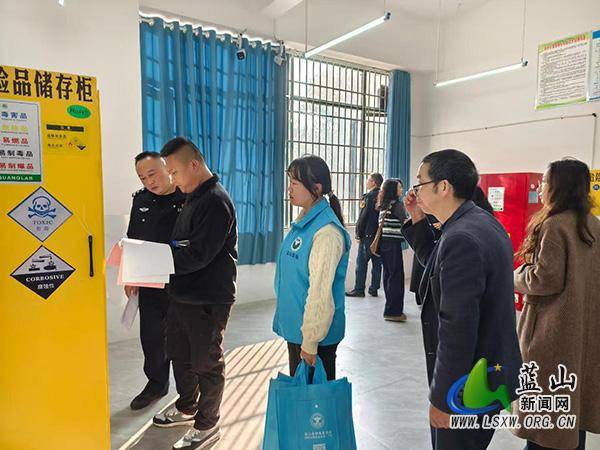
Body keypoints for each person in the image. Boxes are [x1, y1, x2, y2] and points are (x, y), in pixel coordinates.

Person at [402, 149, 522, 450]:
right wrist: (417, 219)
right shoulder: (478, 222)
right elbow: (437, 266)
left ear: (443, 186)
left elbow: (457, 328)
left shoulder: (461, 237)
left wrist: (444, 398)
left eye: (420, 182)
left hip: (469, 386)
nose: (415, 191)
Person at [151, 137, 237, 450]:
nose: (172, 180)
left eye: (174, 172)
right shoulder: (194, 196)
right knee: (179, 353)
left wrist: (155, 261)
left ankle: (207, 424)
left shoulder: (215, 201)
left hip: (207, 299)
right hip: (183, 294)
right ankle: (187, 405)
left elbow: (199, 254)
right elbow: (182, 245)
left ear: (194, 165)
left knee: (206, 361)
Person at [513, 158, 600, 450]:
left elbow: (543, 279)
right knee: (573, 410)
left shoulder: (554, 225)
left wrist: (516, 275)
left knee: (545, 421)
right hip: (583, 332)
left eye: (545, 181)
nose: (540, 187)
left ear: (559, 186)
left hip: (553, 334)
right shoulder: (594, 225)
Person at [273, 155, 351, 381]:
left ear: (316, 188)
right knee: (303, 395)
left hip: (313, 338)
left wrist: (310, 342)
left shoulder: (327, 233)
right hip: (299, 328)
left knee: (315, 399)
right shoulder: (304, 222)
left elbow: (320, 292)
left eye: (295, 183)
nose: (289, 189)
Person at [125, 152, 186, 410]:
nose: (149, 181)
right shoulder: (141, 200)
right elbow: (133, 239)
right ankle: (156, 384)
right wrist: (130, 276)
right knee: (151, 337)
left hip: (180, 280)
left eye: (152, 174)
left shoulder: (187, 197)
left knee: (182, 339)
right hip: (149, 281)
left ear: (167, 169)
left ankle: (188, 392)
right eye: (142, 177)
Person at [374, 178, 408, 321]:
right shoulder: (397, 205)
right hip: (393, 245)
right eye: (400, 187)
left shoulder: (384, 205)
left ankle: (390, 308)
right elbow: (406, 221)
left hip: (384, 245)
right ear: (393, 190)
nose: (402, 190)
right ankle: (394, 312)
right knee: (396, 277)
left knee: (388, 276)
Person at [346, 173, 383, 298]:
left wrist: (358, 233)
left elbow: (363, 216)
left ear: (373, 182)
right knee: (377, 264)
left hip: (367, 235)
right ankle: (374, 289)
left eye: (368, 180)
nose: (367, 182)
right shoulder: (383, 196)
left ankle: (359, 289)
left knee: (361, 264)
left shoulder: (369, 197)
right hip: (379, 236)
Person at [408, 215, 440, 306]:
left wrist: (442, 224)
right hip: (426, 239)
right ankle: (419, 296)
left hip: (435, 240)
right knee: (419, 271)